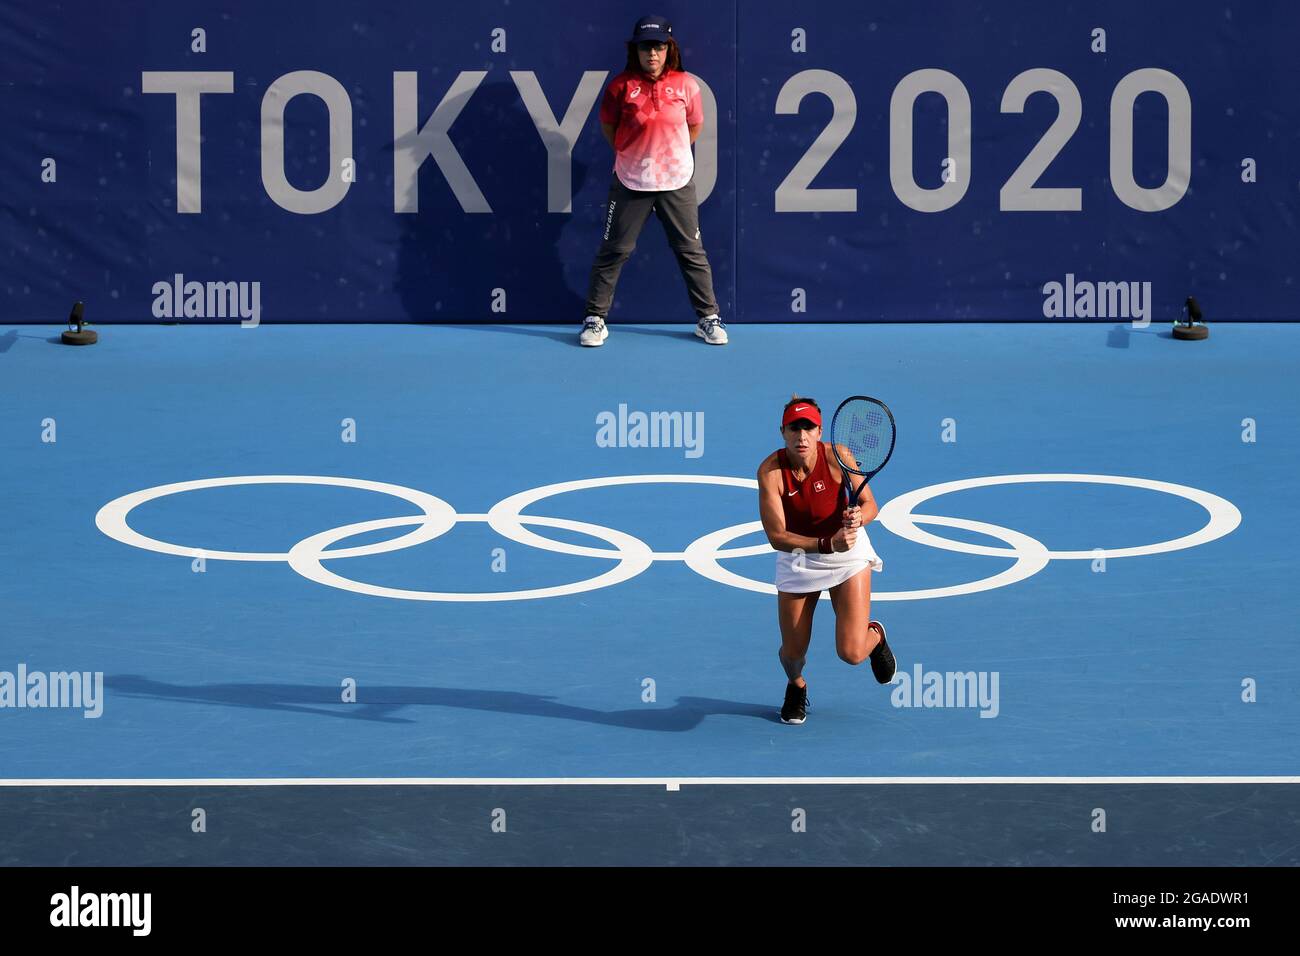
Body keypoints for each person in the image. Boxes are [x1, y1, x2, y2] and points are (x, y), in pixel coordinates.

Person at [580, 15, 727, 347]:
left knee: (690, 251)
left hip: (676, 181)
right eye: (646, 47)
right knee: (614, 251)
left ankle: (708, 318)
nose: (652, 54)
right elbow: (609, 129)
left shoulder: (687, 85)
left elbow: (694, 127)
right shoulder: (620, 87)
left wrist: (667, 154)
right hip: (631, 182)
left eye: (659, 47)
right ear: (636, 50)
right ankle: (595, 319)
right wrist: (635, 153)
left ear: (668, 48)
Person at [756, 396, 897, 724]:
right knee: (792, 655)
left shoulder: (839, 457)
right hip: (801, 556)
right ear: (783, 432)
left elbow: (871, 504)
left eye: (808, 428)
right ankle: (797, 684)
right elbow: (777, 536)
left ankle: (874, 635)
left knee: (851, 653)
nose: (801, 436)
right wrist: (825, 543)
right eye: (794, 428)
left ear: (819, 432)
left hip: (847, 555)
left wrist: (857, 520)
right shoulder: (770, 472)